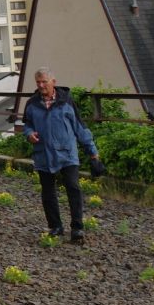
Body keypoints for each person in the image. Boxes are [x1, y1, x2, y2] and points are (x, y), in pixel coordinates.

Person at [23, 67, 101, 242]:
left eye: (44, 82)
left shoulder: (66, 102)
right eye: (38, 82)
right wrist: (29, 134)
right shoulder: (32, 103)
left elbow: (80, 128)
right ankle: (55, 226)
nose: (41, 85)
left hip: (67, 153)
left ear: (53, 82)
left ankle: (77, 228)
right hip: (43, 153)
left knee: (73, 188)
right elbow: (27, 125)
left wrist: (93, 154)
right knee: (48, 192)